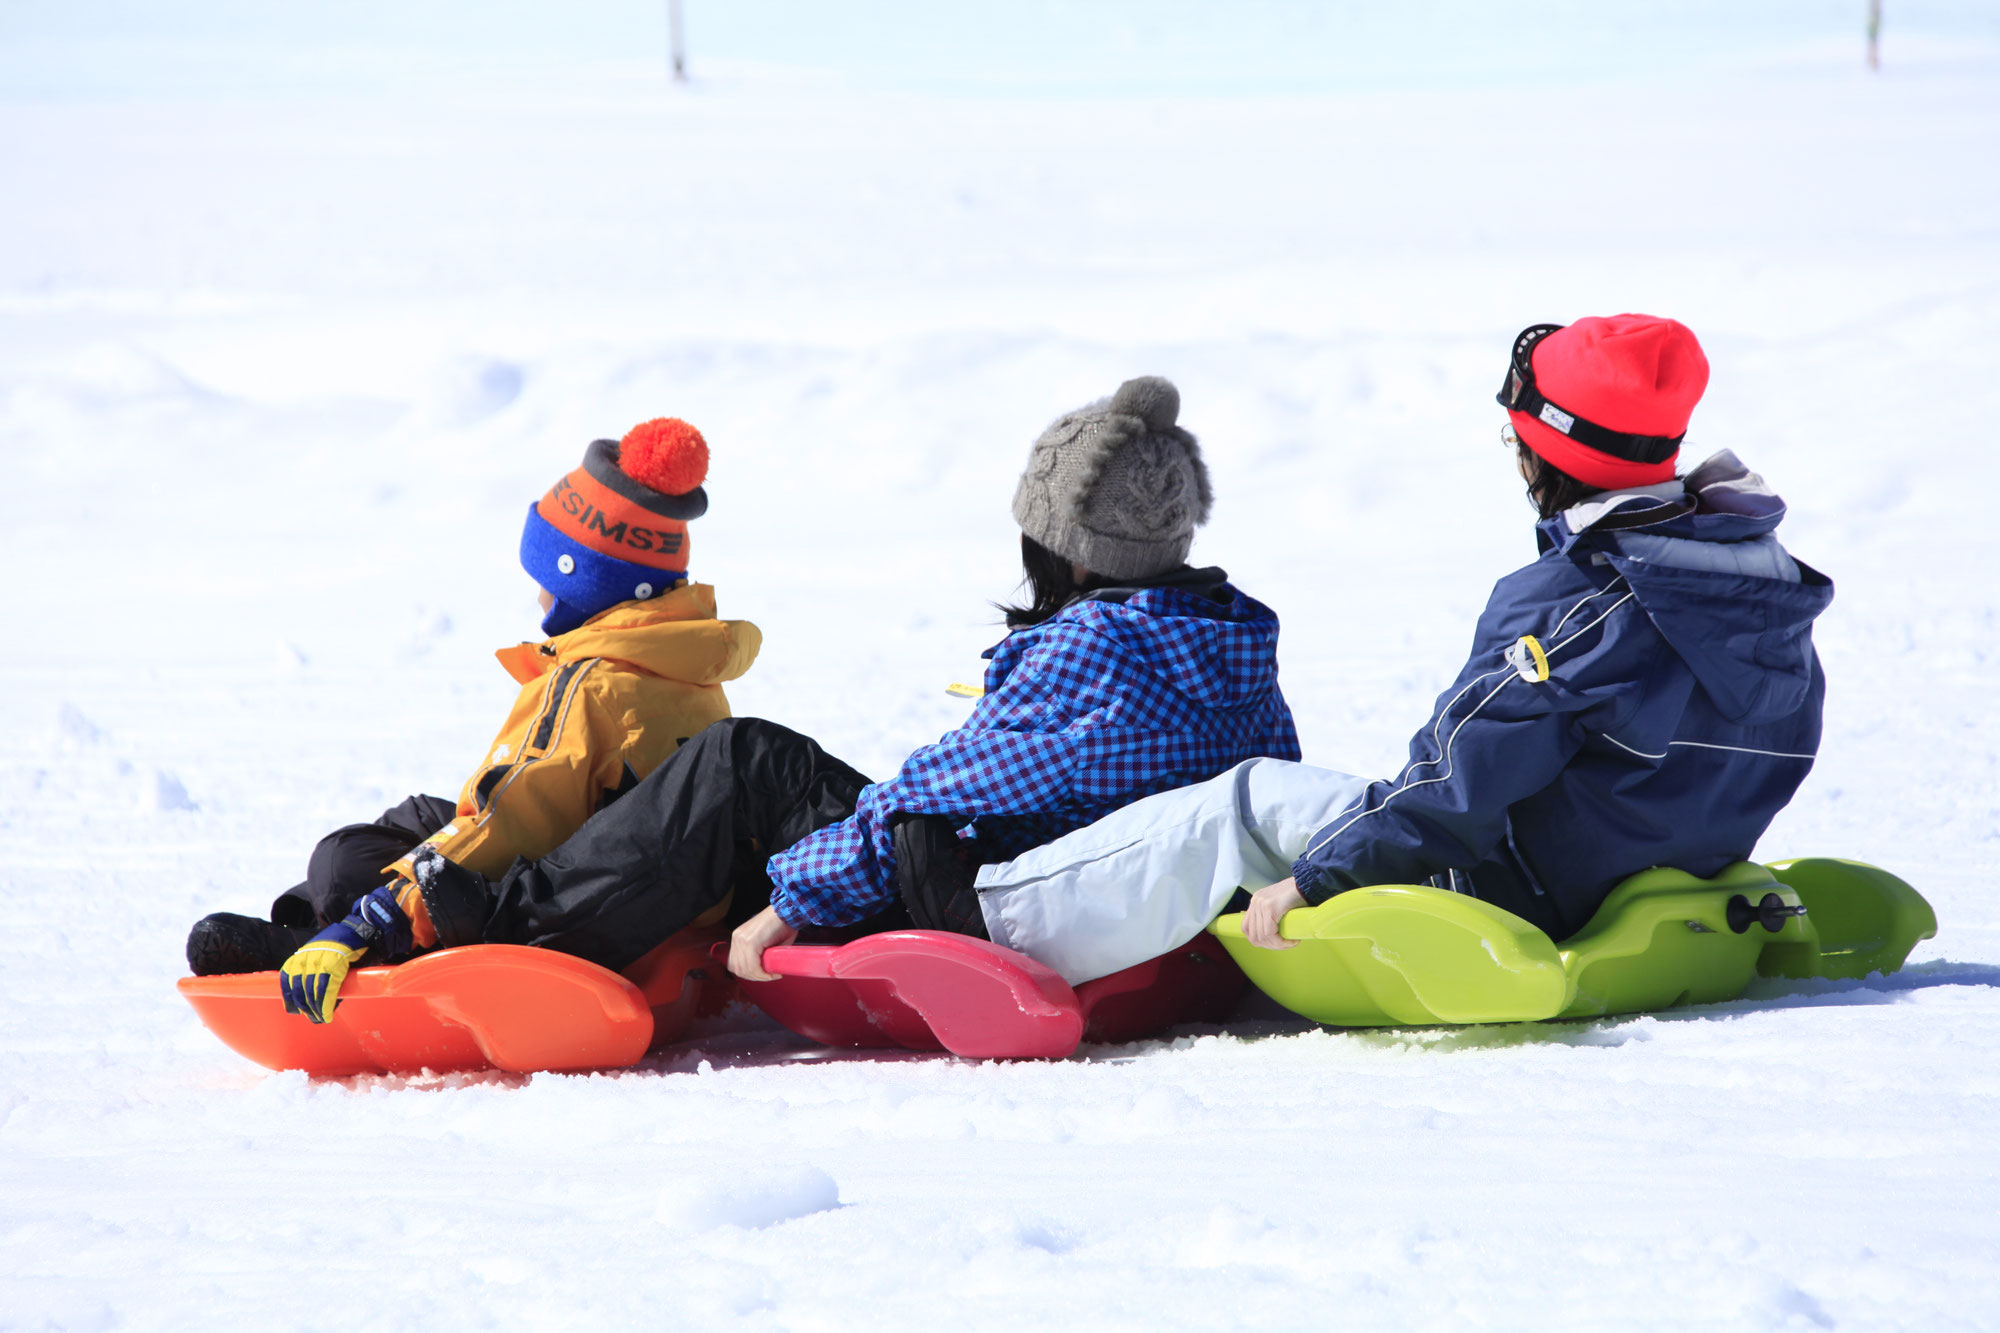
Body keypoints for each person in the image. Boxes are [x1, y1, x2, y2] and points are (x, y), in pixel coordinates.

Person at [276, 375, 1305, 1022]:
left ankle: (492, 923)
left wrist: (791, 903)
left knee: (745, 763)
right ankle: (348, 891)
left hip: (983, 885)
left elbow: (927, 799)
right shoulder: (1227, 634)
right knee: (731, 780)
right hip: (1056, 867)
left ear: (1063, 545)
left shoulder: (1091, 647)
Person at [944, 314, 1834, 987]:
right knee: (1322, 802)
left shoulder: (1572, 605)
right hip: (1633, 873)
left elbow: (1454, 787)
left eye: (1516, 439)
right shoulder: (1757, 586)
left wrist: (1320, 880)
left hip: (1497, 889)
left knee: (1248, 801)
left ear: (1547, 451)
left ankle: (984, 921)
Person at [184, 417, 762, 983]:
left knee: (343, 863)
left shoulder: (592, 685)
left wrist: (383, 906)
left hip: (562, 889)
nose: (538, 598)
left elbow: (509, 815)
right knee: (414, 819)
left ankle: (325, 942)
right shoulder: (681, 658)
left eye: (548, 580)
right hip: (624, 866)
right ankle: (319, 928)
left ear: (583, 581)